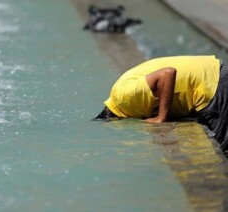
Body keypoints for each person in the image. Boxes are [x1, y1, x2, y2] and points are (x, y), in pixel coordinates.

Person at [95, 55, 228, 156]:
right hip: (210, 72)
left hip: (211, 83)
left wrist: (161, 117)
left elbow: (167, 74)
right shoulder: (119, 95)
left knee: (222, 151)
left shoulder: (124, 98)